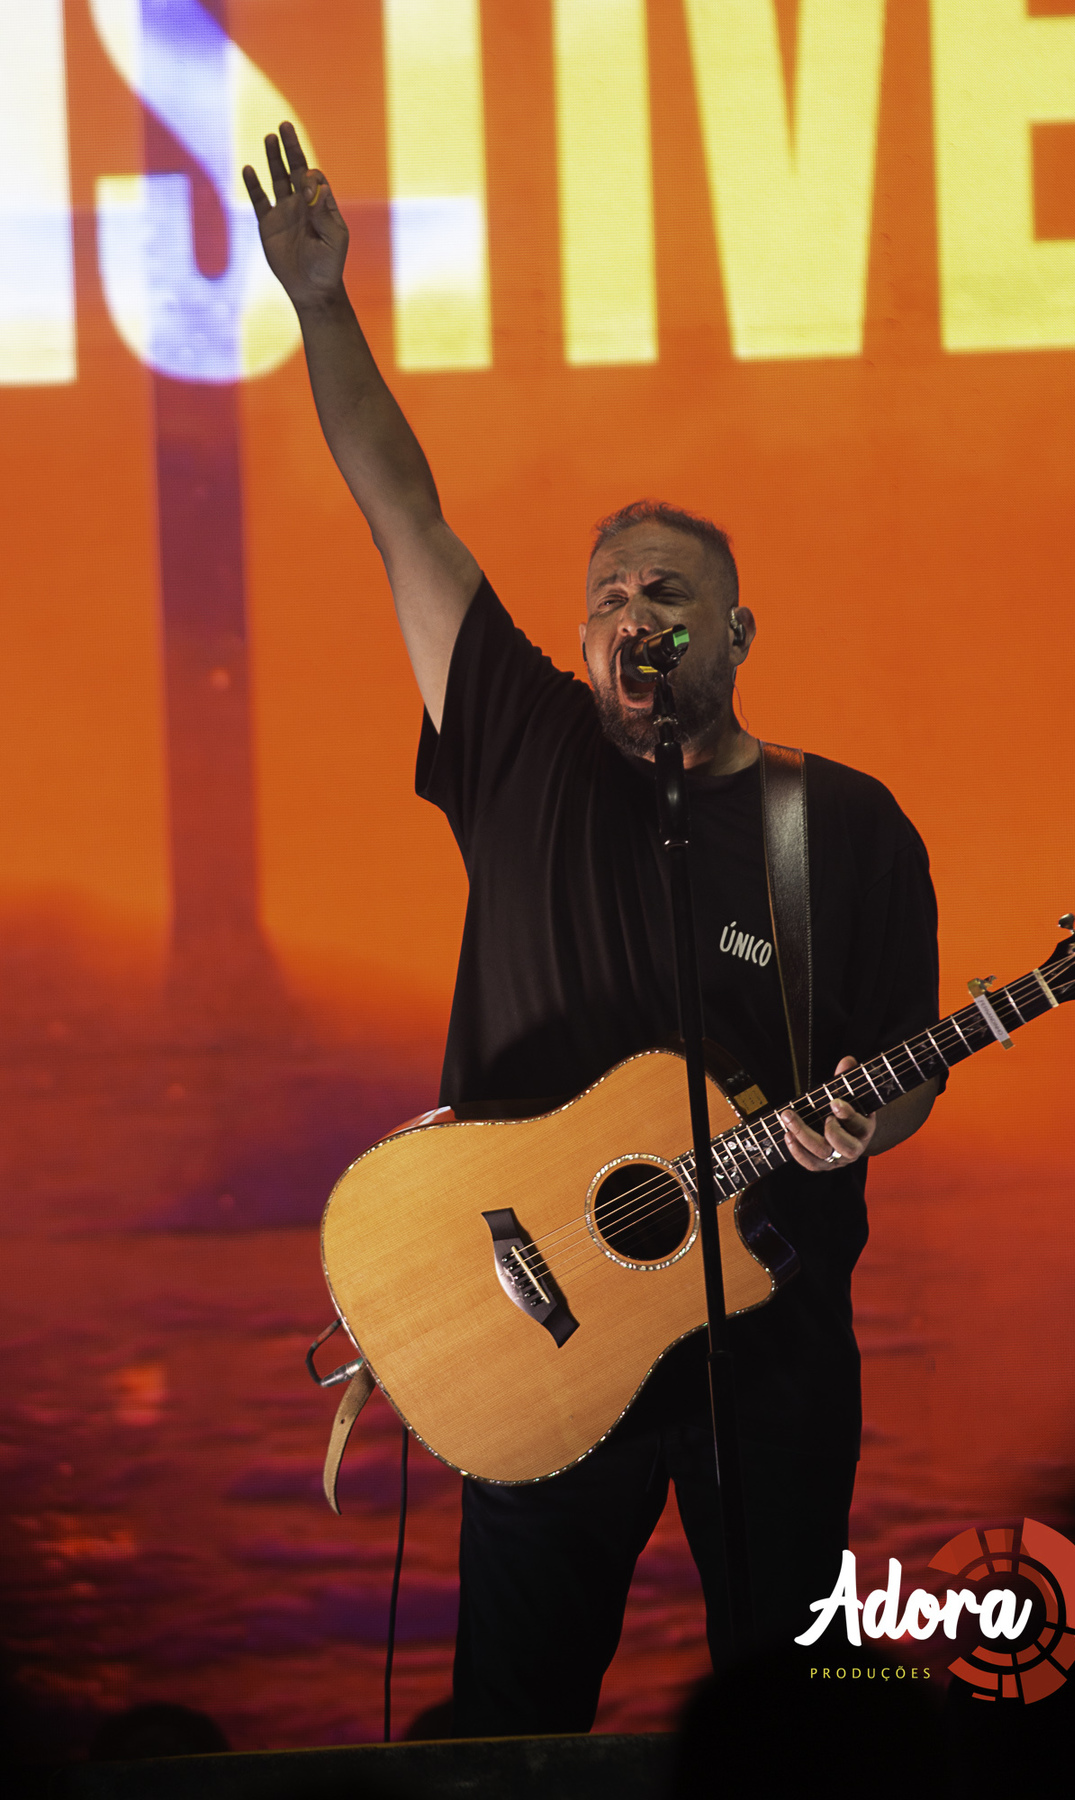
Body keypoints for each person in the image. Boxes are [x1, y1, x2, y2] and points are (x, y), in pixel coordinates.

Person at [244, 124, 942, 1736]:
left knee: (793, 1716)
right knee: (515, 1717)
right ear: (579, 631)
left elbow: (910, 1067)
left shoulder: (842, 825)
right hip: (538, 1323)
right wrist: (323, 305)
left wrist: (865, 1124)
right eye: (613, 595)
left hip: (770, 1336)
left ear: (738, 633)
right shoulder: (522, 739)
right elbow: (401, 511)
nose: (638, 616)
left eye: (671, 596)